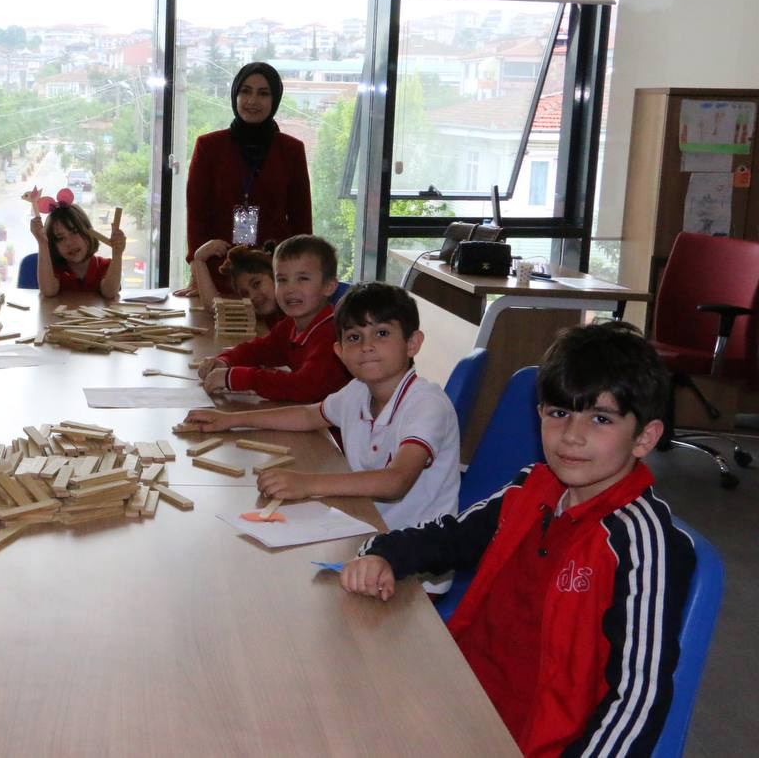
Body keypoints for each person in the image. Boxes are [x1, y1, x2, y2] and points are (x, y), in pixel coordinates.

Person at [339, 321, 695, 756]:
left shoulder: (642, 544)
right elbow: (450, 537)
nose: (572, 435)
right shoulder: (531, 488)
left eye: (601, 419)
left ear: (644, 437)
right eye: (558, 413)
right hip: (459, 700)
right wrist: (383, 555)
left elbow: (638, 697)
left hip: (535, 743)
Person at [186, 282, 457, 557]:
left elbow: (395, 481)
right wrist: (230, 420)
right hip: (364, 530)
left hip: (414, 558)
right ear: (339, 351)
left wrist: (307, 484)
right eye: (354, 337)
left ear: (412, 343)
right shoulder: (358, 391)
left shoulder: (426, 404)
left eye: (382, 333)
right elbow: (307, 415)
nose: (367, 346)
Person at [180, 61, 311, 297]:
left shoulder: (291, 150)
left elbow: (301, 219)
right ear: (235, 95)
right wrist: (197, 270)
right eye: (245, 91)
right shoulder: (209, 146)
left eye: (263, 93)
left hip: (274, 274)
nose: (252, 101)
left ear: (274, 99)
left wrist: (301, 275)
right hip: (218, 270)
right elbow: (197, 215)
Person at [197, 235, 350, 403]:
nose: (290, 289)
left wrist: (237, 378)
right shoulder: (290, 325)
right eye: (282, 280)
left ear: (328, 287)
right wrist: (225, 361)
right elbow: (260, 350)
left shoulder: (332, 334)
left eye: (303, 278)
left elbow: (304, 387)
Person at [30, 197, 125, 299]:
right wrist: (42, 243)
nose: (69, 243)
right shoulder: (55, 269)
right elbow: (48, 291)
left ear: (89, 233)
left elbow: (110, 293)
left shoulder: (105, 266)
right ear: (53, 245)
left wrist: (117, 254)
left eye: (75, 232)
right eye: (60, 238)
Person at [188, 240, 283, 329]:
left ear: (275, 276)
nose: (252, 296)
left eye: (256, 284)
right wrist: (199, 260)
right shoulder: (262, 311)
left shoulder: (290, 314)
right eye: (245, 293)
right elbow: (215, 307)